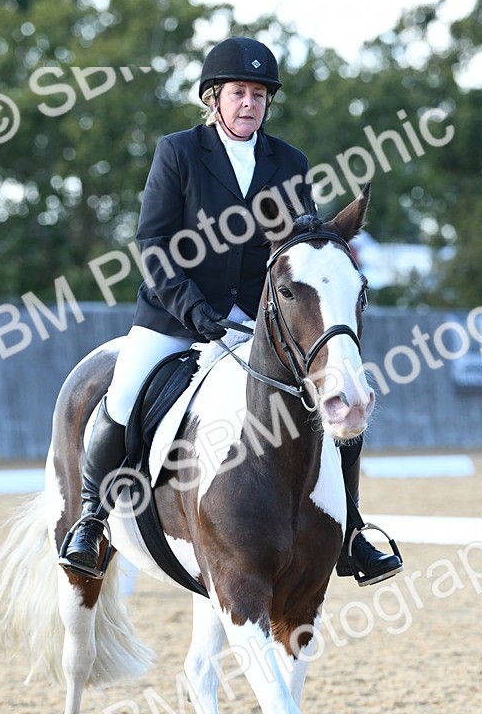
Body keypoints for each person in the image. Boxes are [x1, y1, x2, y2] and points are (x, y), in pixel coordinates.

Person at [59, 35, 402, 586]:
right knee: (121, 397)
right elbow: (153, 243)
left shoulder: (288, 161)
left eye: (260, 95)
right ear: (214, 98)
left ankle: (354, 530)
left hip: (257, 321)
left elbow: (300, 247)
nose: (249, 103)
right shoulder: (179, 152)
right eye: (239, 92)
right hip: (175, 316)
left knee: (336, 395)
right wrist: (192, 310)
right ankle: (94, 520)